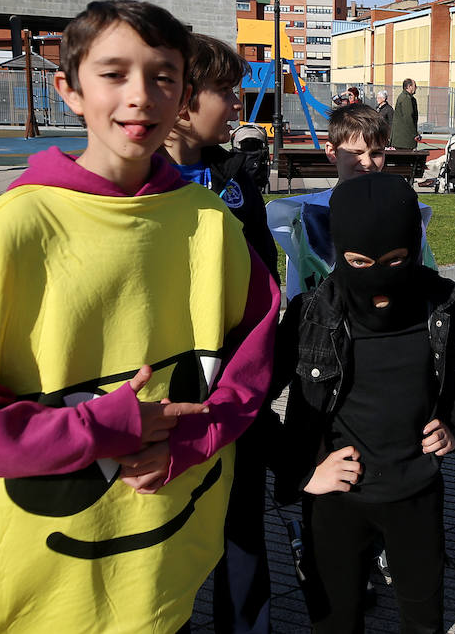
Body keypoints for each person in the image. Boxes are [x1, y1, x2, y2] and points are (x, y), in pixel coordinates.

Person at [0, 0, 281, 633]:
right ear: (68, 89)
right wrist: (99, 428)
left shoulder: (212, 224)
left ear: (183, 92)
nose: (141, 96)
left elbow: (252, 366)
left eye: (163, 75)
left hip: (156, 568)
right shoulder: (6, 234)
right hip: (29, 579)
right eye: (114, 73)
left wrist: (193, 437)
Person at [275, 173, 455, 633]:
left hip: (415, 494)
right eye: (359, 261)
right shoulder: (311, 315)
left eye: (395, 260)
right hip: (336, 501)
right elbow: (246, 403)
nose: (378, 281)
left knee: (424, 617)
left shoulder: (442, 302)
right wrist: (301, 469)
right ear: (338, 251)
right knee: (336, 620)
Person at [162, 33, 280, 634]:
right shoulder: (141, 178)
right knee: (162, 536)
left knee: (243, 529)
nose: (237, 104)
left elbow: (263, 275)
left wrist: (252, 376)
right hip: (161, 389)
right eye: (226, 91)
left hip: (233, 389)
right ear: (184, 98)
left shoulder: (234, 175)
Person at [267, 103, 436, 297]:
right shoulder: (307, 215)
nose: (367, 162)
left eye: (376, 153)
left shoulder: (405, 210)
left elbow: (426, 273)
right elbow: (300, 283)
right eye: (356, 153)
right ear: (332, 152)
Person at [390, 78, 420, 150]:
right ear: (409, 87)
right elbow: (408, 118)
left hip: (404, 139)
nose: (416, 88)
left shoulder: (407, 97)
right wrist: (414, 134)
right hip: (404, 140)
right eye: (415, 86)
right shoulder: (406, 98)